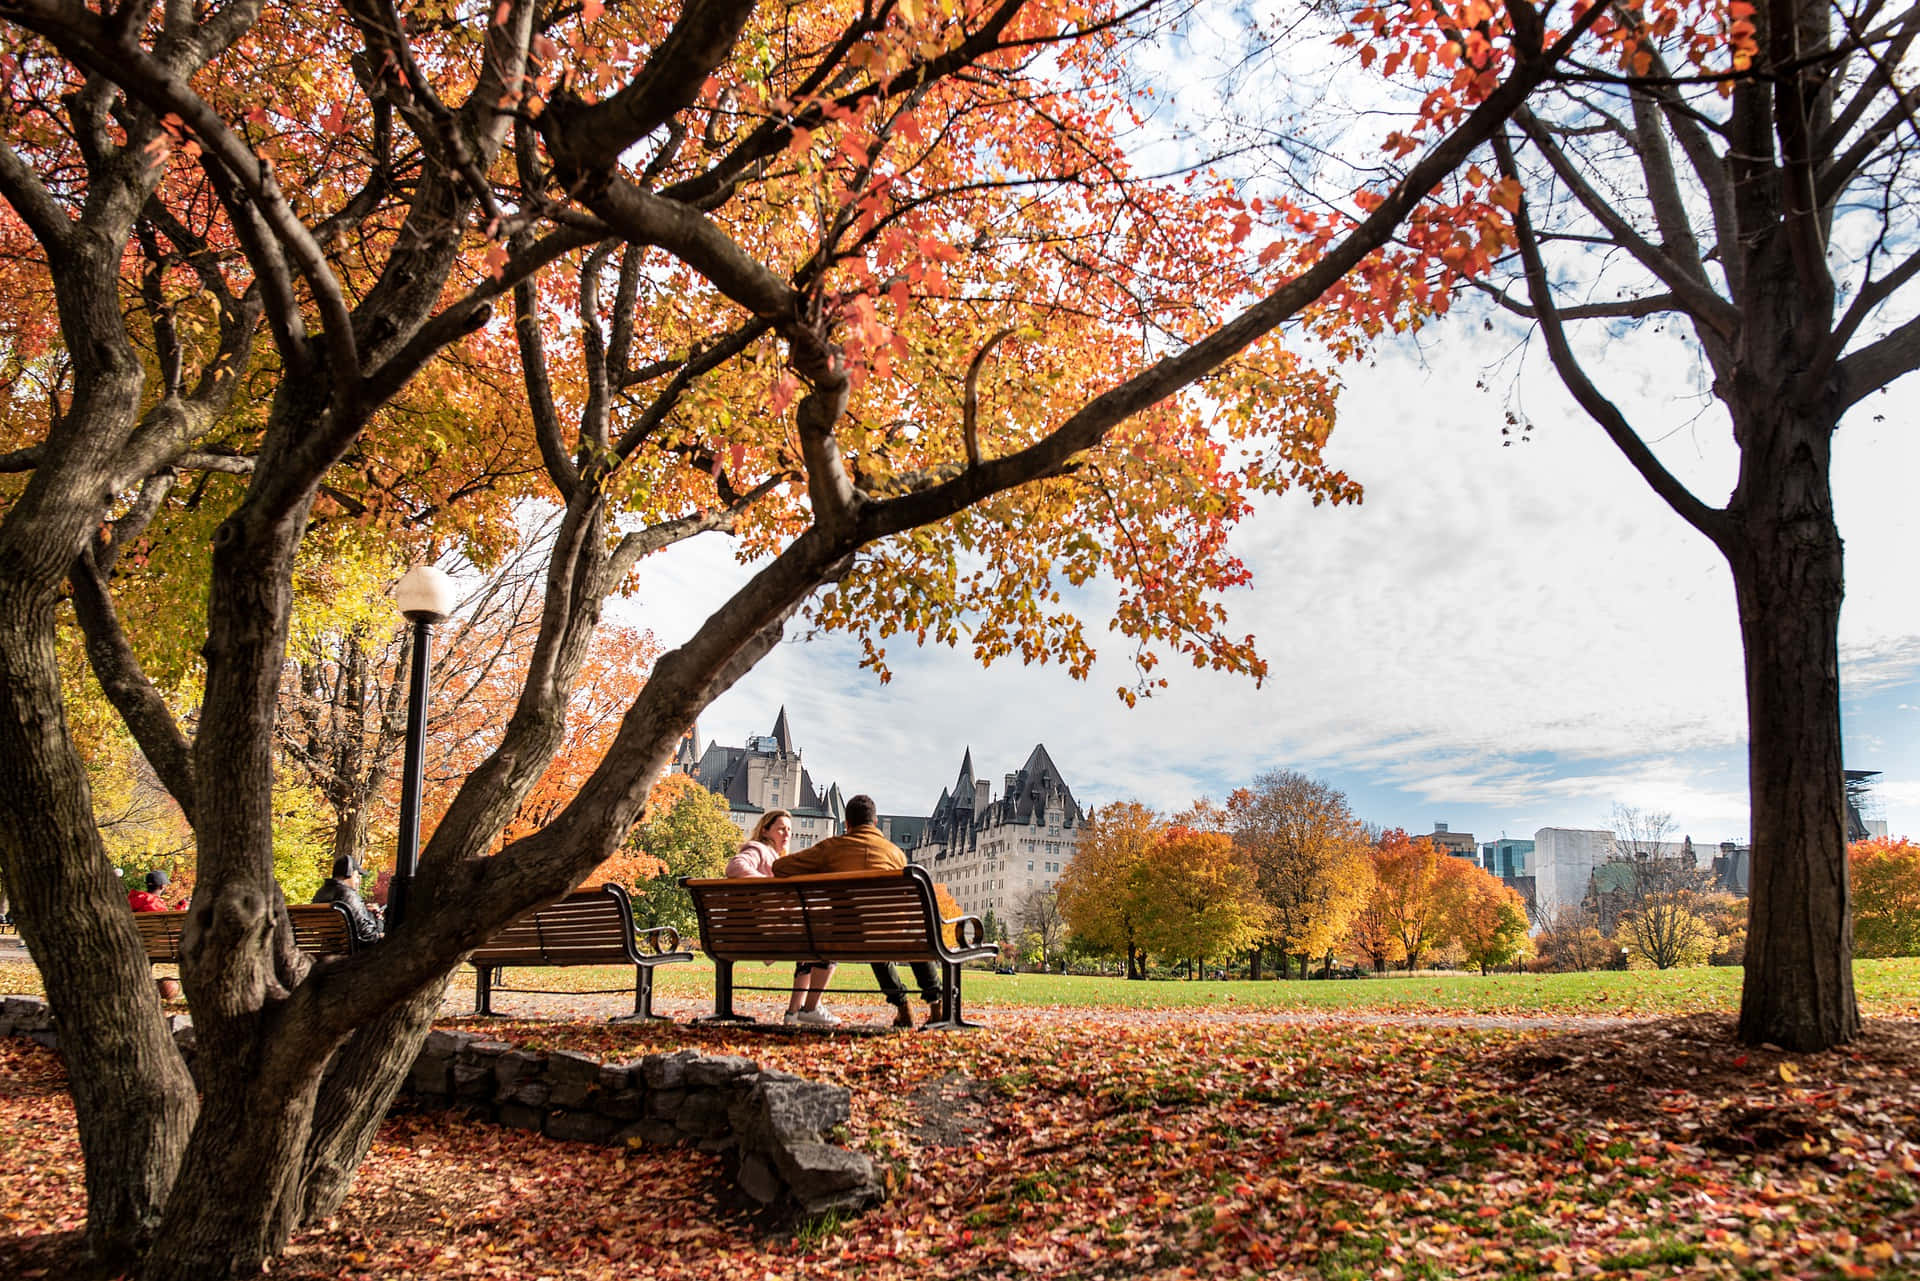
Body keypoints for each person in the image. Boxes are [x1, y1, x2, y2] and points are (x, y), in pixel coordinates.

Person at [771, 794, 944, 1028]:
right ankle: (936, 1002)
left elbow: (780, 867)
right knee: (903, 937)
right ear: (874, 824)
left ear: (847, 825)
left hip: (847, 935)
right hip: (893, 934)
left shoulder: (831, 848)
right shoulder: (895, 853)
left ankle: (902, 1006)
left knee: (870, 936)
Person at [727, 809, 839, 1027]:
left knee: (810, 944)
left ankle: (794, 1013)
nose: (787, 833)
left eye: (789, 829)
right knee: (825, 941)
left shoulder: (776, 857)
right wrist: (771, 886)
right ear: (765, 830)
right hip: (761, 933)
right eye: (781, 829)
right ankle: (808, 1009)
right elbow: (735, 866)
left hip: (756, 930)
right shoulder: (758, 848)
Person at [312, 857, 384, 946]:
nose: (358, 882)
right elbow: (368, 936)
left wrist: (366, 912)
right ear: (349, 873)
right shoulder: (349, 894)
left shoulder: (320, 893)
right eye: (357, 877)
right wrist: (378, 918)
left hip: (328, 948)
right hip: (352, 954)